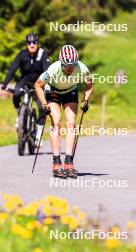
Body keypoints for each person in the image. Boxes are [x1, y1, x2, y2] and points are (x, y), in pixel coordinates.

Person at [34, 44, 93, 178]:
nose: (70, 68)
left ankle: (68, 162)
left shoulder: (82, 68)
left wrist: (85, 100)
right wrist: (43, 103)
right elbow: (38, 85)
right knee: (56, 123)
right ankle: (56, 162)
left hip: (70, 91)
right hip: (52, 91)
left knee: (71, 124)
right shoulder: (54, 68)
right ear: (61, 63)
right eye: (67, 65)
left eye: (72, 65)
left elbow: (89, 85)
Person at [1, 33, 50, 146]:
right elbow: (13, 68)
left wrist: (48, 85)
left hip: (39, 83)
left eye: (34, 42)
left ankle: (38, 135)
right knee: (16, 94)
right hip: (24, 81)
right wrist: (5, 84)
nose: (32, 45)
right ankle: (20, 114)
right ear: (26, 44)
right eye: (29, 43)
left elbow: (47, 71)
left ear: (37, 43)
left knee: (42, 108)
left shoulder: (42, 54)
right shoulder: (22, 54)